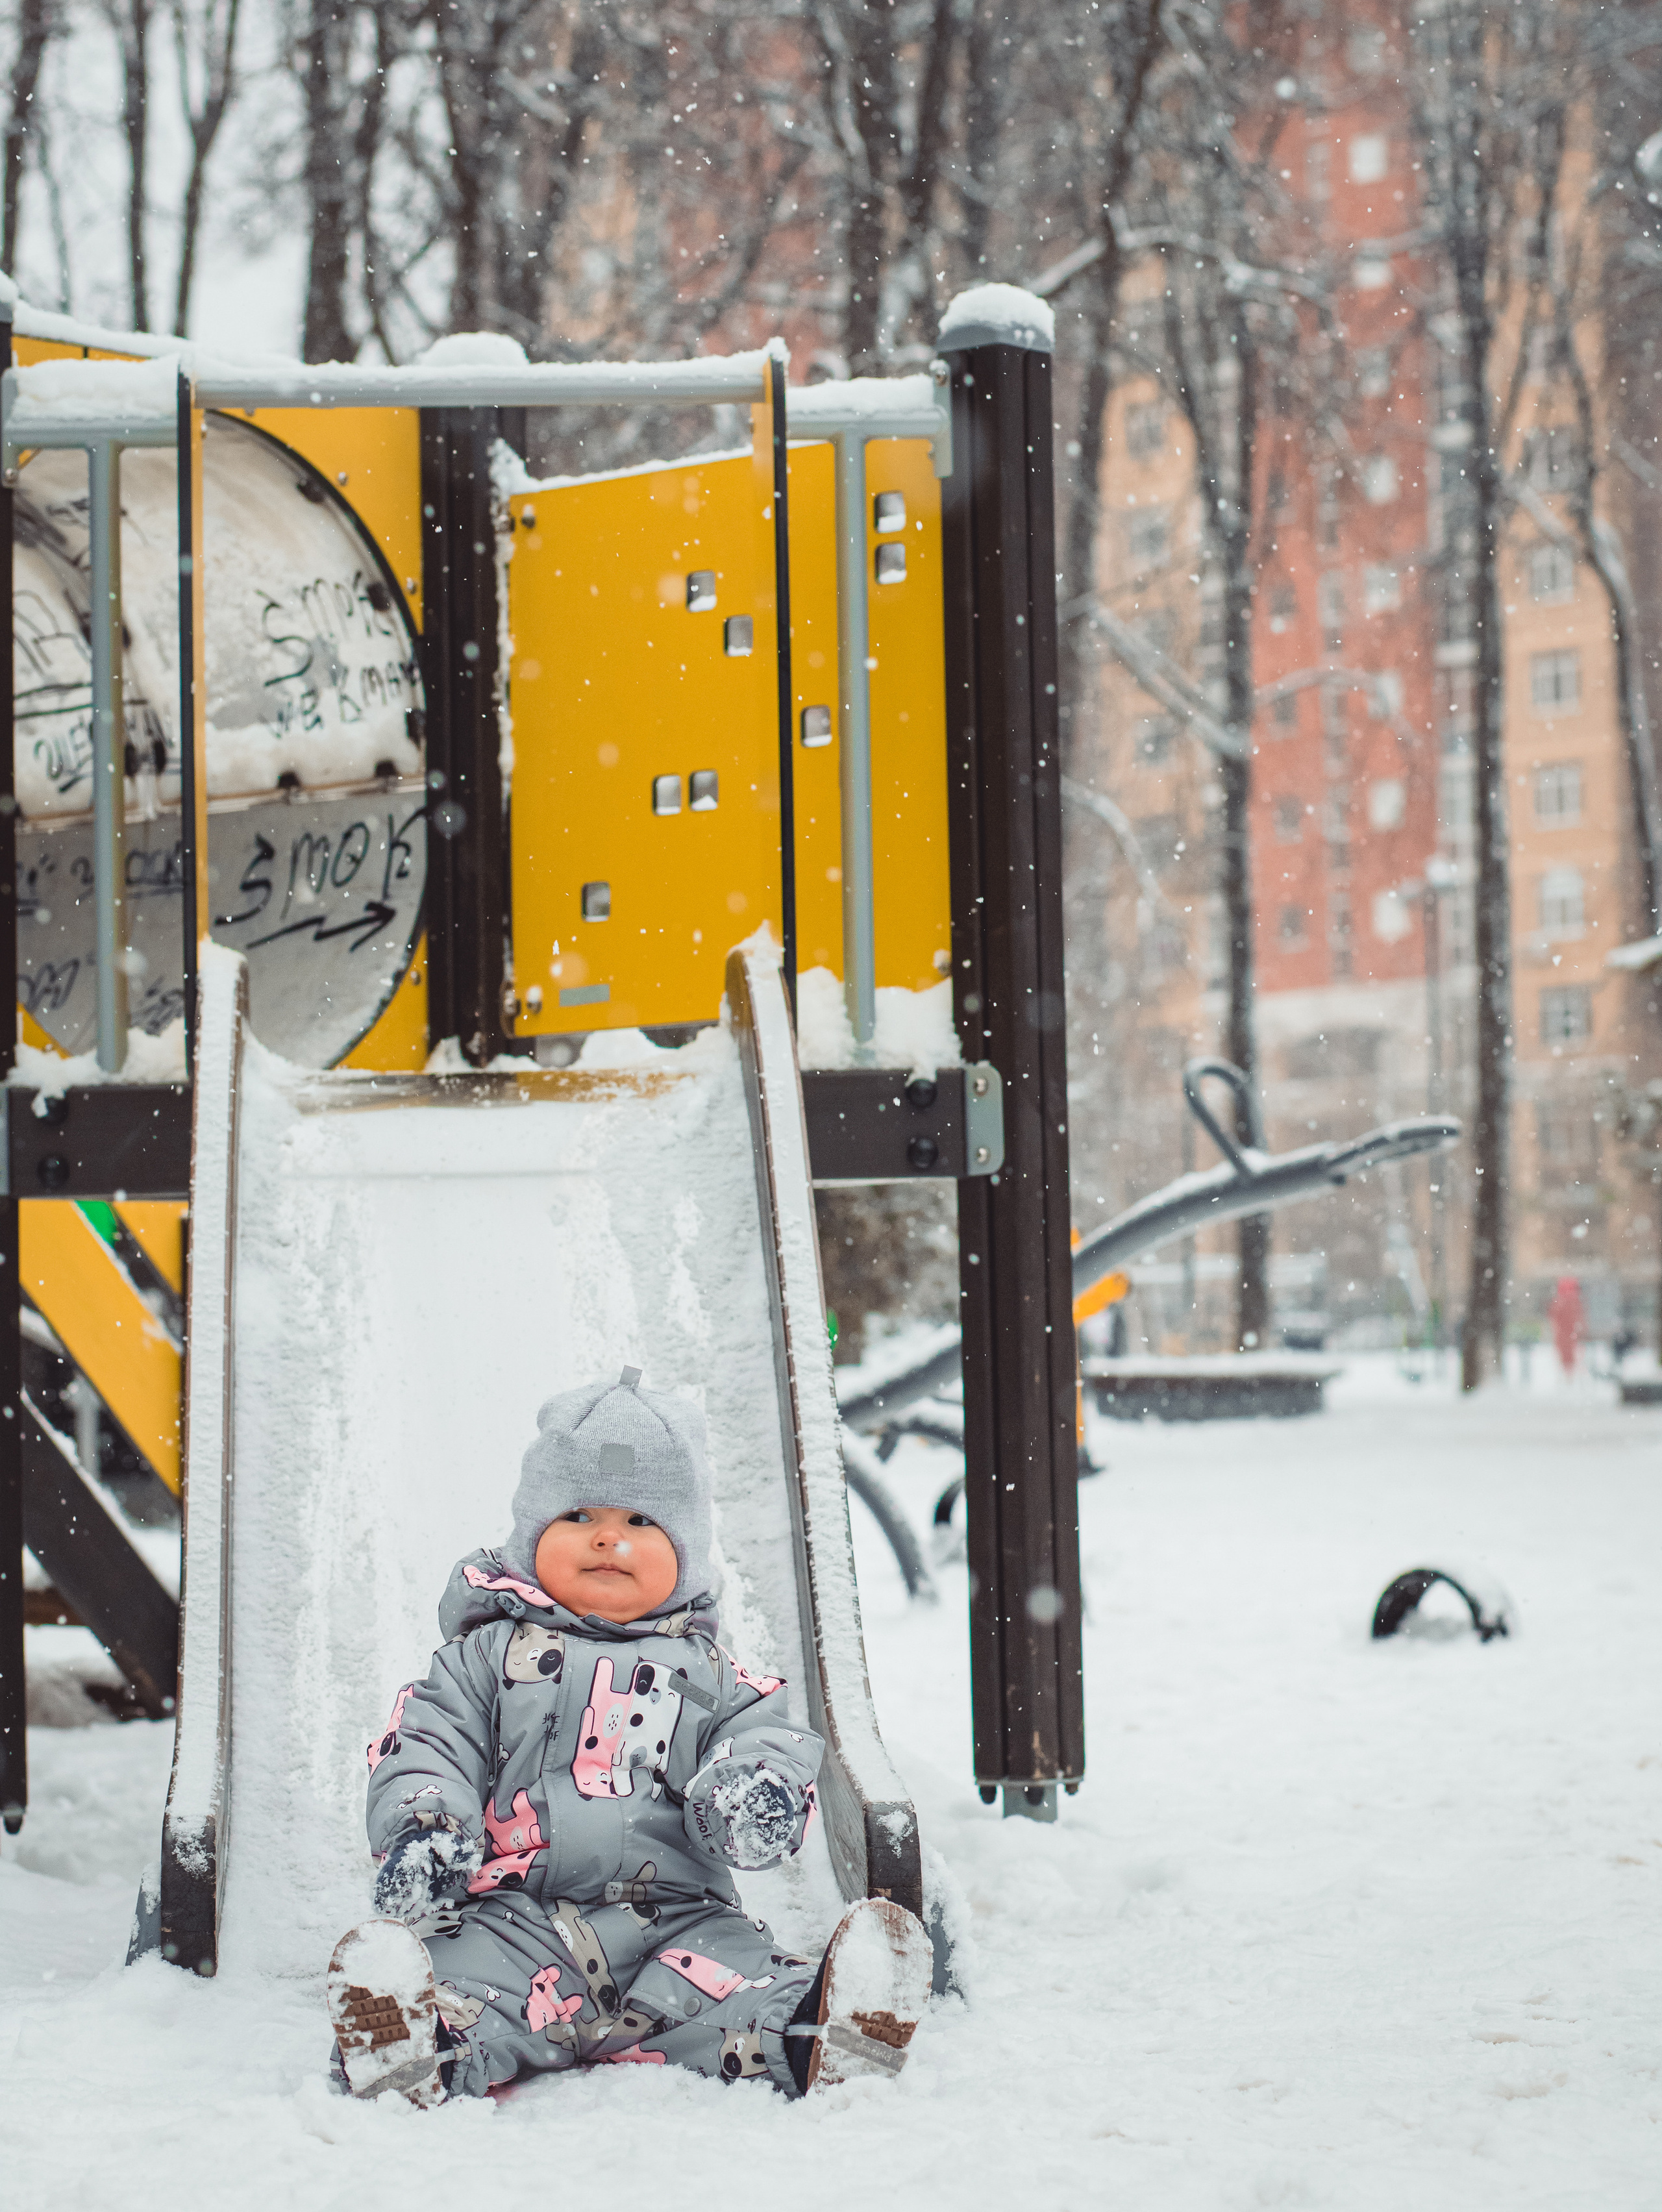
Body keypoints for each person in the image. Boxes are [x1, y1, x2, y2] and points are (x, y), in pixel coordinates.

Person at [327, 1367, 933, 2106]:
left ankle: (817, 2031)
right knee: (465, 1981)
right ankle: (421, 2046)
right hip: (514, 1922)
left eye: (643, 1522)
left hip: (680, 1923)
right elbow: (427, 1741)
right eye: (579, 1513)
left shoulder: (709, 1672)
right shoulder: (481, 1657)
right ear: (531, 1535)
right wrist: (427, 1825)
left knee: (747, 1978)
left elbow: (762, 1736)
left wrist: (752, 1794)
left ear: (685, 1552)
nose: (610, 1535)